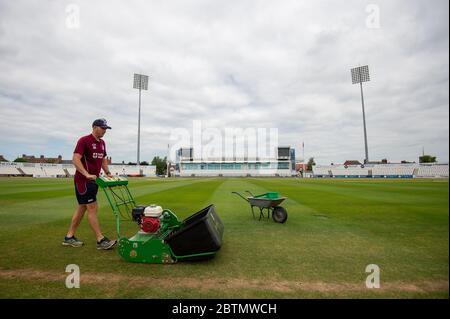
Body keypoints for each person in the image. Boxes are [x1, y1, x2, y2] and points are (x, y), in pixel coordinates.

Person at [62, 118, 116, 250]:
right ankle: (100, 240)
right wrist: (86, 174)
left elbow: (103, 160)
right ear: (94, 127)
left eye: (105, 129)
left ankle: (69, 237)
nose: (104, 131)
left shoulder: (102, 143)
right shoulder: (84, 140)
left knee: (82, 208)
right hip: (83, 181)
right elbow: (75, 158)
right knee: (92, 208)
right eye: (102, 128)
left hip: (94, 181)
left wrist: (108, 172)